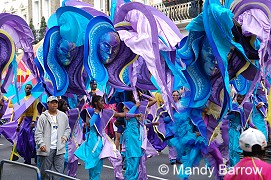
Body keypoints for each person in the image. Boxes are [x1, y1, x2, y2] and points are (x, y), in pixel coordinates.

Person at [75, 95, 141, 180]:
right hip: (93, 140)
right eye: (101, 101)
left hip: (103, 139)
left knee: (117, 157)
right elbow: (89, 124)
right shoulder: (89, 111)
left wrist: (135, 114)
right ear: (95, 103)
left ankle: (120, 176)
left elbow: (121, 114)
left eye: (103, 101)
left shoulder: (106, 112)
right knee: (94, 164)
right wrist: (96, 114)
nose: (103, 103)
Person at [35, 96, 71, 180]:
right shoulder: (43, 117)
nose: (54, 104)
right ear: (48, 104)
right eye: (52, 102)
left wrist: (65, 137)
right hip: (46, 149)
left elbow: (67, 129)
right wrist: (41, 144)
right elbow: (38, 133)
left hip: (59, 149)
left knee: (58, 173)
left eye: (56, 102)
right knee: (45, 173)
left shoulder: (63, 116)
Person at [15, 84, 39, 164]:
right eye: (27, 88)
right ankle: (27, 159)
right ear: (24, 89)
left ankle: (36, 158)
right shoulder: (23, 99)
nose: (28, 89)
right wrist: (19, 124)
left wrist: (33, 121)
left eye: (30, 88)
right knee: (24, 140)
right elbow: (22, 113)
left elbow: (36, 110)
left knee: (33, 140)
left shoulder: (34, 99)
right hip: (25, 122)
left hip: (32, 121)